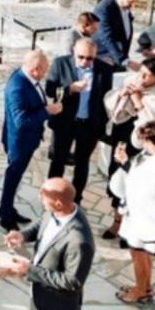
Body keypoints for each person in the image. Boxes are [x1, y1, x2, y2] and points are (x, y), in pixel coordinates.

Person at [2, 179, 95, 310]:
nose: (39, 197)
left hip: (57, 303)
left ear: (59, 204)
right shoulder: (56, 211)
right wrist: (22, 235)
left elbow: (73, 281)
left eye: (43, 195)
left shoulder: (79, 240)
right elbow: (41, 223)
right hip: (40, 293)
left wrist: (30, 270)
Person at [110, 121, 155, 304]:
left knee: (140, 254)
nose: (144, 145)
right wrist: (126, 162)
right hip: (140, 214)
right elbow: (139, 175)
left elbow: (149, 189)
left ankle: (140, 291)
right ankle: (145, 286)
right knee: (141, 253)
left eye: (147, 142)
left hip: (146, 216)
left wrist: (125, 166)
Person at [101, 57, 155, 239]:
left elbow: (152, 127)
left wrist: (138, 101)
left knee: (133, 182)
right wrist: (122, 94)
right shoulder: (131, 82)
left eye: (146, 76)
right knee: (117, 176)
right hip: (121, 137)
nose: (141, 78)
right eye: (141, 72)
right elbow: (110, 106)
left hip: (140, 146)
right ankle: (116, 220)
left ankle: (128, 224)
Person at [0, 50, 60, 231]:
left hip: (27, 140)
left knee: (15, 177)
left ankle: (7, 208)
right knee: (13, 176)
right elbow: (21, 120)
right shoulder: (18, 86)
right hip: (19, 141)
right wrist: (48, 111)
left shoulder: (25, 77)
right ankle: (5, 215)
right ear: (35, 69)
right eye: (45, 69)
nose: (46, 72)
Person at [45, 37, 109, 198]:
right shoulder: (61, 63)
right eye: (81, 57)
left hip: (89, 125)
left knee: (82, 163)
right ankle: (52, 195)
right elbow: (50, 90)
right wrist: (69, 89)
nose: (85, 61)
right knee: (58, 161)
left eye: (90, 58)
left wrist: (102, 125)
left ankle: (75, 198)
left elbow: (105, 99)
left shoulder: (105, 69)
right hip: (65, 123)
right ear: (74, 51)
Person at [93, 0, 140, 76]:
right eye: (130, 1)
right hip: (104, 57)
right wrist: (124, 60)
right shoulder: (105, 8)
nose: (132, 5)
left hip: (118, 58)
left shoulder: (125, 7)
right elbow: (106, 37)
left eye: (134, 2)